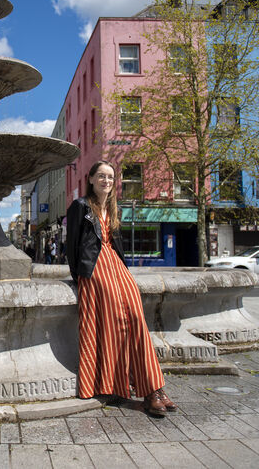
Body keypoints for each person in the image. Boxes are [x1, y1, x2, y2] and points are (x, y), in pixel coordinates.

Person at [66, 161, 177, 417]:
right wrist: (80, 278)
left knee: (136, 320)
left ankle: (154, 388)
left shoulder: (115, 208)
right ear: (91, 179)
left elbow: (117, 245)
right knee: (116, 326)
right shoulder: (80, 206)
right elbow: (72, 246)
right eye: (101, 176)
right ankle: (150, 391)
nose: (106, 180)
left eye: (110, 177)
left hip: (116, 266)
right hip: (94, 268)